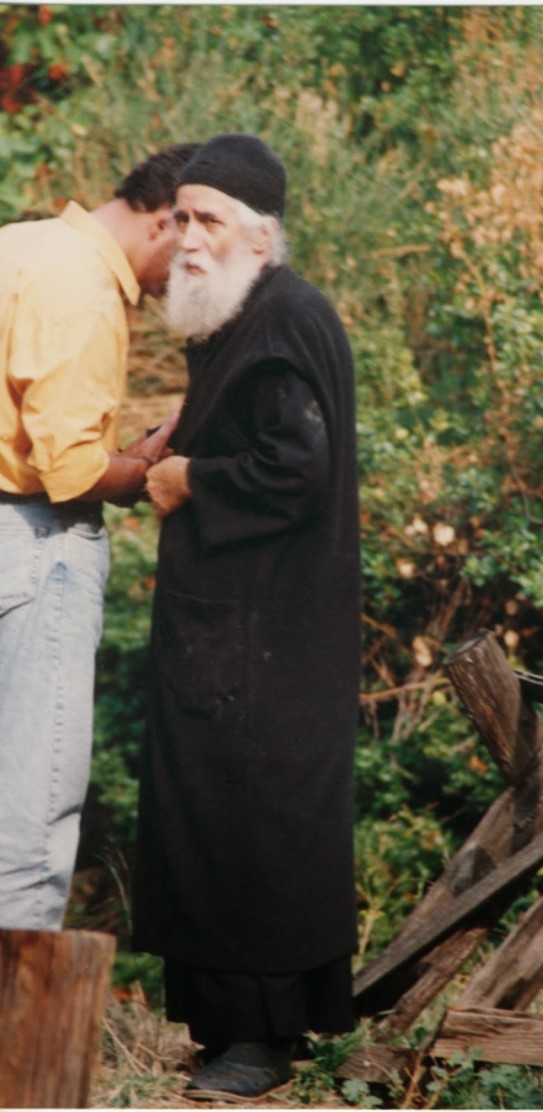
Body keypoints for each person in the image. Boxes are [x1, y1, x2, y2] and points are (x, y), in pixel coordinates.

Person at [132, 134, 361, 1098]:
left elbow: (296, 469)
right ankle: (238, 1031)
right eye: (181, 217)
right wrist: (178, 438)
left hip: (265, 638)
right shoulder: (254, 313)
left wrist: (191, 479)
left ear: (260, 236)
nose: (187, 237)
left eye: (210, 220)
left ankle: (259, 1045)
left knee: (252, 827)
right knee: (222, 822)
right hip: (243, 630)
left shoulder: (280, 319)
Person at [0, 142, 199, 933]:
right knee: (30, 823)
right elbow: (73, 472)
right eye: (194, 243)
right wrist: (150, 468)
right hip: (33, 541)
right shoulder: (83, 289)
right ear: (165, 223)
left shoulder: (21, 242)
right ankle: (19, 1012)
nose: (191, 274)